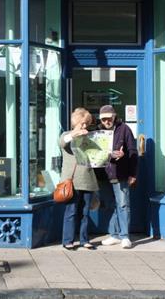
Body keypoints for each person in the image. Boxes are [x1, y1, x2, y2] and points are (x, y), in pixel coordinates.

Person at [95, 105, 138, 249]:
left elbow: (133, 152)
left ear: (114, 116)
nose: (107, 121)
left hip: (121, 173)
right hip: (103, 175)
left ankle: (125, 236)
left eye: (109, 118)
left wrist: (133, 173)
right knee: (110, 205)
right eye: (104, 119)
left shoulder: (124, 129)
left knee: (123, 204)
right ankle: (114, 234)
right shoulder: (97, 130)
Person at [60, 107, 99, 250]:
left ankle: (84, 240)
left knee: (85, 213)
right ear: (75, 122)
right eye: (82, 123)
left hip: (87, 179)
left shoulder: (89, 138)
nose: (84, 126)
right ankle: (68, 240)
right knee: (71, 211)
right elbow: (62, 142)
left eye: (86, 124)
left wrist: (109, 154)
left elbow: (98, 156)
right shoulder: (67, 135)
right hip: (72, 181)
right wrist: (75, 133)